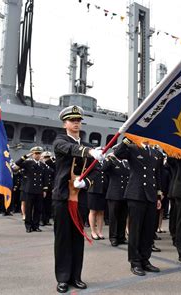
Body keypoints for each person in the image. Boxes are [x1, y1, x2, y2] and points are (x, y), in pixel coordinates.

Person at [52, 105, 104, 293]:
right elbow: (68, 148)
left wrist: (87, 182)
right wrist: (89, 152)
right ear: (65, 123)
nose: (76, 123)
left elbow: (97, 171)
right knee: (63, 239)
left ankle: (76, 276)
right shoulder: (60, 140)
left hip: (79, 198)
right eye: (72, 120)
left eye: (78, 120)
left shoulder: (86, 145)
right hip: (63, 198)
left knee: (77, 239)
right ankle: (63, 278)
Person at [114, 137, 162, 277]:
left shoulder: (156, 153)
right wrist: (128, 139)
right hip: (136, 194)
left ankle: (145, 260)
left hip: (151, 195)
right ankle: (135, 262)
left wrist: (159, 195)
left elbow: (156, 175)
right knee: (135, 230)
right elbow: (118, 153)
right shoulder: (132, 148)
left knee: (148, 230)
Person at [15, 146, 47, 233]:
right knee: (28, 209)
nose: (37, 155)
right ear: (33, 154)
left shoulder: (43, 165)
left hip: (39, 190)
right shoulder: (28, 163)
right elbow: (17, 163)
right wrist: (26, 156)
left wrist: (44, 190)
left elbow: (45, 178)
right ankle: (28, 226)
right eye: (36, 153)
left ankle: (36, 226)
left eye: (39, 153)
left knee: (38, 209)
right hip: (29, 190)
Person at [101, 153, 130, 246]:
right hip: (114, 194)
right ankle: (113, 237)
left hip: (125, 194)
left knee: (123, 217)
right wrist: (108, 158)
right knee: (114, 217)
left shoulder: (126, 163)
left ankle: (121, 237)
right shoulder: (111, 162)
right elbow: (103, 169)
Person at [87, 162, 108, 240]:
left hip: (103, 189)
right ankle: (93, 231)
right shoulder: (92, 161)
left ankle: (99, 231)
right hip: (93, 189)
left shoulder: (106, 162)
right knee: (93, 211)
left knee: (101, 212)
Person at [41, 151, 55, 226]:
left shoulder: (52, 166)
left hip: (50, 188)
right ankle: (41, 220)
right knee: (42, 205)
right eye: (45, 157)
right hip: (42, 188)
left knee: (48, 205)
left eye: (48, 157)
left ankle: (47, 220)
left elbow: (54, 177)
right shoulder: (40, 165)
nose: (47, 159)